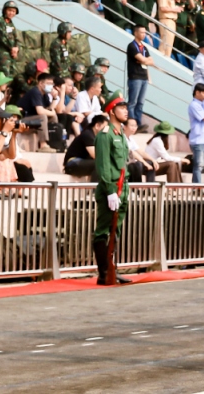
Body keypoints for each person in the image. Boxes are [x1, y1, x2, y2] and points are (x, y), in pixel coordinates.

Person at [93, 92, 132, 285]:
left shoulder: (121, 134)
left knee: (116, 231)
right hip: (111, 189)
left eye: (126, 107)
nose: (126, 110)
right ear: (111, 111)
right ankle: (103, 272)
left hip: (122, 188)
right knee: (103, 231)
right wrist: (110, 191)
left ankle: (111, 269)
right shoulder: (105, 134)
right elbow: (103, 166)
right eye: (121, 107)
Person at [127, 26, 154, 127]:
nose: (144, 35)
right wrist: (143, 60)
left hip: (144, 77)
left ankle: (138, 123)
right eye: (141, 32)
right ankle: (131, 123)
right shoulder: (132, 46)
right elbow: (143, 60)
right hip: (135, 77)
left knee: (141, 103)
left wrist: (143, 60)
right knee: (132, 102)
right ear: (135, 33)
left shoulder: (144, 47)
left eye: (145, 33)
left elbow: (151, 61)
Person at [0, 1, 21, 77]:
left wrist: (17, 48)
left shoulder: (11, 23)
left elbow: (16, 37)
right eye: (9, 10)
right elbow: (2, 38)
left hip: (11, 53)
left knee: (12, 74)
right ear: (5, 10)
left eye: (13, 11)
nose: (11, 13)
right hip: (2, 52)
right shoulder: (0, 21)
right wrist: (12, 48)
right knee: (3, 75)